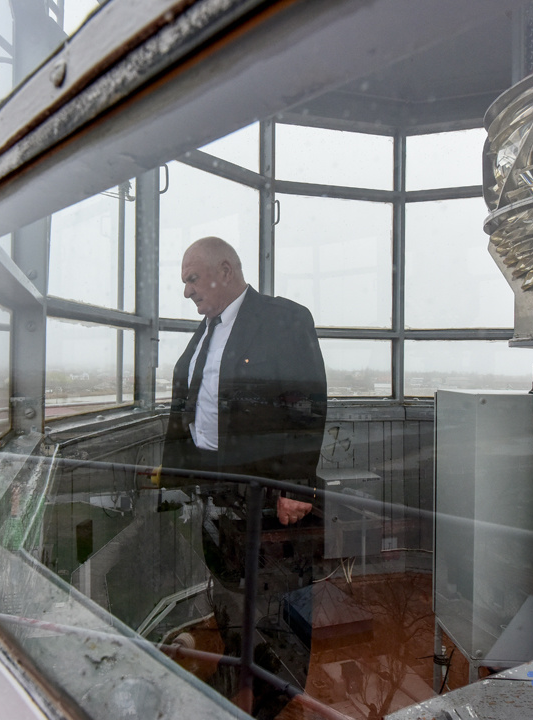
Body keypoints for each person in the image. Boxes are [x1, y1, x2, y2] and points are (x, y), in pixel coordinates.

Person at [160, 236, 327, 718]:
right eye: (185, 282)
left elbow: (307, 405)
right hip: (216, 495)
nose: (187, 291)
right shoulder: (204, 333)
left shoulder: (283, 319)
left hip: (268, 495)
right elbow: (188, 411)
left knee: (276, 600)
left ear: (226, 271)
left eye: (193, 278)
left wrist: (296, 486)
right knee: (229, 592)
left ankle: (277, 697)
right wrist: (175, 484)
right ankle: (240, 676)